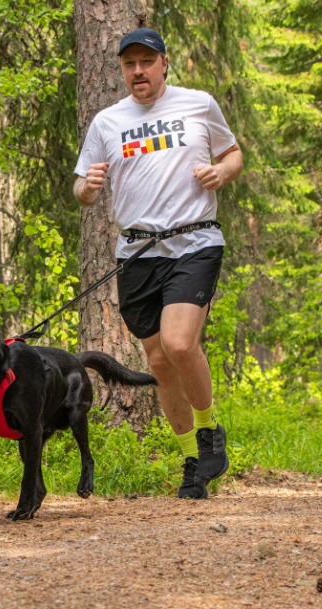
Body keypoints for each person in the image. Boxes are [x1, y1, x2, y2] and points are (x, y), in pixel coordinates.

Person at [73, 28, 243, 499]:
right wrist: (88, 186)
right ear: (122, 70)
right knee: (159, 362)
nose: (138, 71)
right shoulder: (107, 122)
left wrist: (220, 172)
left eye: (147, 61)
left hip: (195, 242)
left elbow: (233, 155)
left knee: (180, 344)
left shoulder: (198, 104)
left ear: (165, 63)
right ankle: (192, 459)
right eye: (130, 64)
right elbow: (83, 192)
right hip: (138, 253)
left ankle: (209, 432)